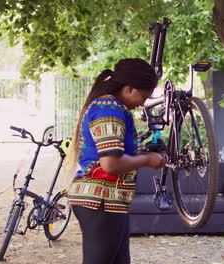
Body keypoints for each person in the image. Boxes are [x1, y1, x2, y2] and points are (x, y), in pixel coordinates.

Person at [64, 58, 167, 264]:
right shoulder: (109, 108)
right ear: (129, 89)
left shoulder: (115, 108)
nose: (142, 103)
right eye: (143, 96)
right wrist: (147, 159)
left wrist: (144, 152)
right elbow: (111, 164)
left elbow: (116, 153)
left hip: (109, 200)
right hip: (100, 200)